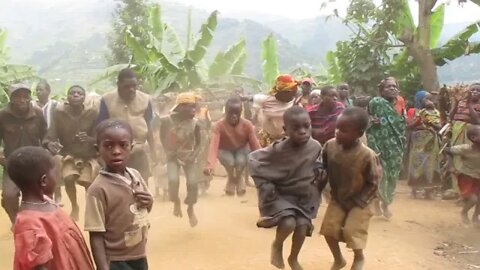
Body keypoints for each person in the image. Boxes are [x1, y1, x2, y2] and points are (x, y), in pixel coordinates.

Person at [249, 106, 322, 270]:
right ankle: (277, 245)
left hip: (303, 196)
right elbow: (253, 159)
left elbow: (319, 167)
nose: (303, 131)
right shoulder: (278, 149)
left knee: (302, 227)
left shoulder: (316, 146)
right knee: (289, 223)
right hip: (283, 195)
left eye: (306, 126)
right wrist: (264, 185)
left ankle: (293, 258)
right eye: (296, 128)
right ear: (285, 130)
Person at [9, 146, 94, 270]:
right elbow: (38, 266)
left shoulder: (47, 202)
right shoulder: (28, 223)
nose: (59, 177)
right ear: (44, 181)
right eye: (56, 173)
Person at [85, 119, 153, 270]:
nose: (116, 151)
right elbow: (96, 234)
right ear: (98, 149)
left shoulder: (135, 175)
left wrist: (149, 203)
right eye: (108, 146)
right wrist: (103, 267)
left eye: (123, 145)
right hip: (115, 260)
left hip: (139, 254)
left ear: (131, 147)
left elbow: (144, 210)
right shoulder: (98, 189)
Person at [320, 107, 382, 270]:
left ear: (359, 133)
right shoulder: (329, 146)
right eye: (337, 128)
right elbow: (322, 166)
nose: (338, 133)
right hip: (339, 197)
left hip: (361, 200)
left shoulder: (367, 155)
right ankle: (338, 259)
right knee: (328, 230)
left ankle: (358, 257)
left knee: (352, 231)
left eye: (344, 130)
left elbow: (374, 182)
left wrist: (358, 200)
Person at [44, 85, 99, 221]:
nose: (75, 95)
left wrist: (89, 139)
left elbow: (99, 136)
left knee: (88, 184)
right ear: (67, 97)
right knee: (68, 179)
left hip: (88, 155)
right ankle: (75, 206)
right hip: (69, 154)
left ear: (84, 98)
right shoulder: (59, 113)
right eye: (72, 93)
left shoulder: (92, 113)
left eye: (79, 93)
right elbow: (51, 133)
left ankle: (91, 209)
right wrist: (49, 143)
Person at [96, 68, 157, 180]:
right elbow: (101, 128)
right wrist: (100, 153)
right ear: (118, 84)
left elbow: (149, 126)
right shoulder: (107, 99)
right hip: (115, 150)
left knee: (141, 182)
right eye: (127, 86)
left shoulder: (145, 99)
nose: (131, 89)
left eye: (134, 86)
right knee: (117, 182)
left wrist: (153, 151)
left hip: (138, 149)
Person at [0, 83, 47, 224]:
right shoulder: (2, 115)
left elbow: (45, 135)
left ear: (29, 98)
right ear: (11, 99)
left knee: (41, 194)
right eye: (17, 96)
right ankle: (16, 222)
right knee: (9, 196)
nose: (21, 100)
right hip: (11, 163)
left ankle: (39, 221)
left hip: (34, 162)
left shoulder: (38, 113)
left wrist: (47, 147)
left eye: (25, 96)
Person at [159, 92, 201, 227]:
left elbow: (199, 143)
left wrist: (193, 156)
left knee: (193, 183)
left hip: (189, 156)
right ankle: (176, 201)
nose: (194, 110)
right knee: (172, 180)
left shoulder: (195, 123)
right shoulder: (166, 121)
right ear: (181, 107)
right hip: (173, 156)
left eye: (194, 107)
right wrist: (168, 151)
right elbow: (162, 137)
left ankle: (190, 208)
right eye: (191, 107)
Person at [204, 97, 261, 196]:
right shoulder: (219, 125)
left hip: (242, 149)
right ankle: (232, 178)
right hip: (224, 150)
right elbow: (214, 146)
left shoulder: (247, 125)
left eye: (237, 113)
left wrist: (263, 160)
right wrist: (210, 165)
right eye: (231, 113)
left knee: (240, 162)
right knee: (230, 161)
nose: (234, 116)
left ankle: (238, 178)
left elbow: (255, 145)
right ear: (226, 112)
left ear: (240, 112)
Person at [366, 77, 406, 218]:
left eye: (394, 86)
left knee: (392, 177)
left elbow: (402, 125)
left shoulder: (400, 104)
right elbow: (368, 119)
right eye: (388, 86)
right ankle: (377, 204)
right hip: (379, 145)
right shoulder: (376, 102)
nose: (392, 88)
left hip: (395, 147)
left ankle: (386, 204)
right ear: (381, 90)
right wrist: (371, 121)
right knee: (380, 175)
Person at [406, 92, 442, 199]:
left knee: (430, 165)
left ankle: (428, 191)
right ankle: (414, 190)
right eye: (426, 99)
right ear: (419, 100)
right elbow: (409, 126)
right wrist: (418, 121)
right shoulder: (414, 111)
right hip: (418, 140)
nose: (429, 101)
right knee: (416, 164)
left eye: (430, 99)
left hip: (431, 140)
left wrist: (430, 123)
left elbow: (439, 126)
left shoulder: (435, 112)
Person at [445, 125, 480, 226]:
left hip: (478, 178)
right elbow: (447, 150)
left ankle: (475, 217)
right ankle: (464, 212)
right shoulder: (465, 149)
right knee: (473, 199)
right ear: (474, 138)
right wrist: (451, 166)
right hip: (466, 177)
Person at [449, 83, 480, 192]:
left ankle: (469, 191)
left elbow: (477, 120)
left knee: (466, 161)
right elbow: (451, 116)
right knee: (456, 158)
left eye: (478, 90)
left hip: (470, 134)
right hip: (457, 131)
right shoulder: (461, 102)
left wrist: (470, 104)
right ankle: (458, 190)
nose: (475, 92)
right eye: (472, 90)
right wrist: (455, 103)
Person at [252, 74, 298, 147]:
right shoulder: (264, 100)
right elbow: (251, 99)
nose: (293, 96)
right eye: (291, 93)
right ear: (282, 92)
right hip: (267, 141)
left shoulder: (295, 102)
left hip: (286, 141)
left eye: (294, 93)